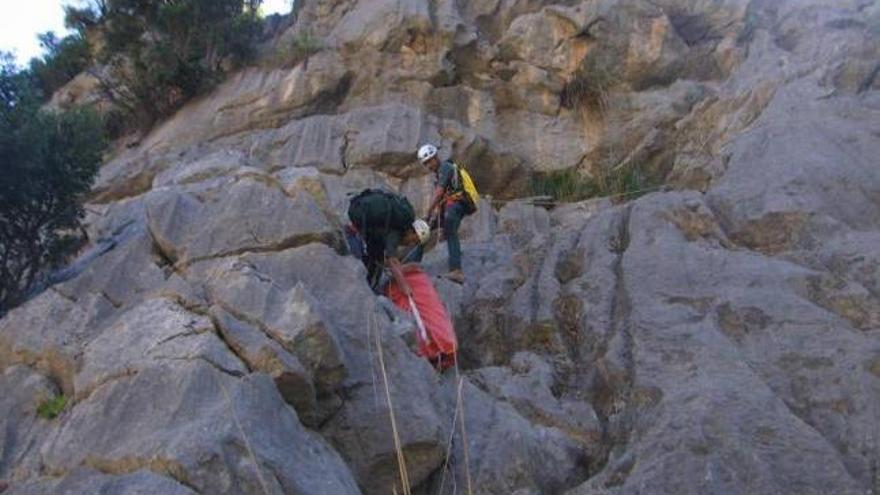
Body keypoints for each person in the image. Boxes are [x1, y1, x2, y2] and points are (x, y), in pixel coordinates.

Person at [347, 189, 431, 295]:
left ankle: (370, 288)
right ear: (412, 232)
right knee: (358, 269)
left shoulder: (393, 226)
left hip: (364, 231)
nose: (411, 244)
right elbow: (392, 261)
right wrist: (404, 286)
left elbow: (386, 261)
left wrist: (405, 268)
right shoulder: (396, 233)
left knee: (376, 262)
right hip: (355, 231)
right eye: (414, 240)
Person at [418, 143, 471, 284]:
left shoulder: (446, 168)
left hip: (456, 205)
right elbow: (442, 198)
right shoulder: (439, 174)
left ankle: (457, 270)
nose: (429, 165)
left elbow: (439, 193)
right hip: (449, 206)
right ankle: (414, 264)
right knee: (425, 230)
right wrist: (435, 220)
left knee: (450, 230)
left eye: (430, 161)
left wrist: (428, 212)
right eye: (426, 163)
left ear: (436, 157)